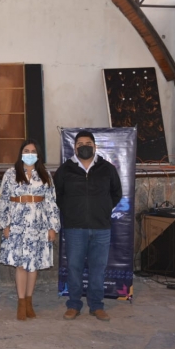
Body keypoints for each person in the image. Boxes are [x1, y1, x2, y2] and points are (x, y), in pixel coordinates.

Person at [54, 130, 122, 322]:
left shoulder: (107, 168)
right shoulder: (65, 170)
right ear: (74, 147)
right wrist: (70, 211)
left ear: (94, 146)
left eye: (88, 143)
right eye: (80, 143)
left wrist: (103, 208)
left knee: (98, 269)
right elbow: (57, 195)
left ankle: (97, 306)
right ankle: (74, 305)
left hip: (101, 228)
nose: (84, 146)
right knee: (74, 267)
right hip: (75, 228)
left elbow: (116, 193)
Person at [0, 139, 60, 321]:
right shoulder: (11, 173)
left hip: (38, 224)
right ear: (21, 153)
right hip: (17, 223)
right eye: (27, 150)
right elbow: (4, 200)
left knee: (34, 265)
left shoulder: (45, 174)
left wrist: (52, 226)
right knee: (20, 264)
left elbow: (51, 201)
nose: (30, 153)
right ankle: (21, 302)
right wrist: (5, 224)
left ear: (38, 154)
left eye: (33, 150)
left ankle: (30, 301)